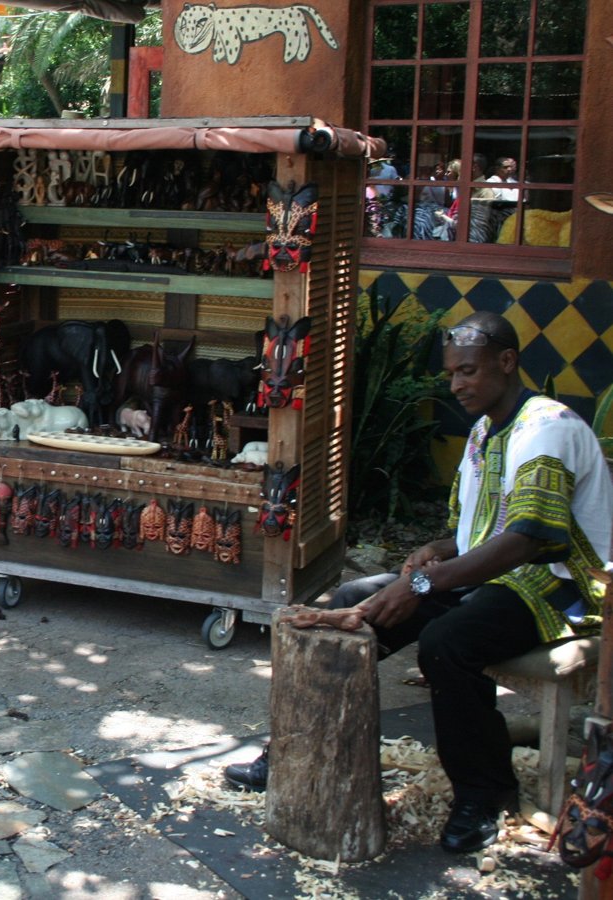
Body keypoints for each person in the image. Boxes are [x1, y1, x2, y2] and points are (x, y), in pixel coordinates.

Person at [224, 312, 613, 857]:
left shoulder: (547, 428)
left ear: (507, 362)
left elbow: (527, 540)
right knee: (350, 602)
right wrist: (440, 549)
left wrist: (423, 585)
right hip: (492, 574)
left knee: (447, 643)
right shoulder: (484, 430)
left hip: (561, 585)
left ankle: (484, 793)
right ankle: (294, 754)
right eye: (451, 373)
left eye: (468, 371)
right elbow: (481, 533)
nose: (456, 385)